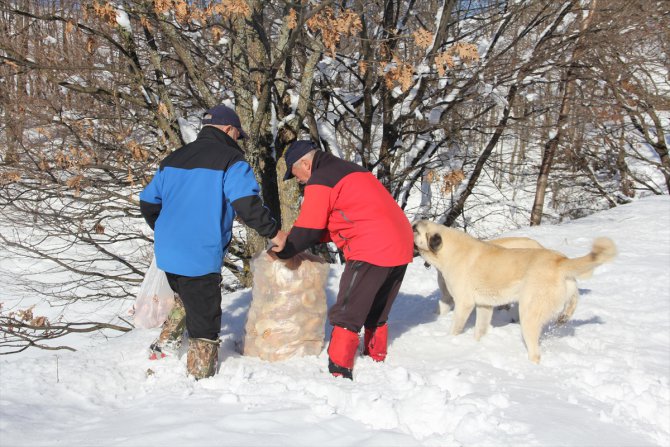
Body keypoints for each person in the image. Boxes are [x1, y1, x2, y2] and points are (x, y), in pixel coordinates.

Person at [139, 104, 287, 380]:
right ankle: (200, 377)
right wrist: (275, 234)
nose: (237, 140)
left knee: (186, 296)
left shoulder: (174, 158)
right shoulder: (231, 160)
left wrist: (165, 230)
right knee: (206, 318)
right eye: (237, 135)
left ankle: (164, 347)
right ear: (229, 129)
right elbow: (247, 203)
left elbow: (148, 201)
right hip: (200, 252)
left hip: (167, 252)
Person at [272, 140, 414, 380]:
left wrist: (285, 250)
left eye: (294, 174)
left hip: (371, 246)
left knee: (348, 310)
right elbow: (341, 218)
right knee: (376, 308)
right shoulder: (352, 170)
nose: (297, 180)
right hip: (400, 243)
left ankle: (339, 370)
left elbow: (310, 226)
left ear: (306, 164)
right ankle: (375, 357)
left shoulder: (322, 178)